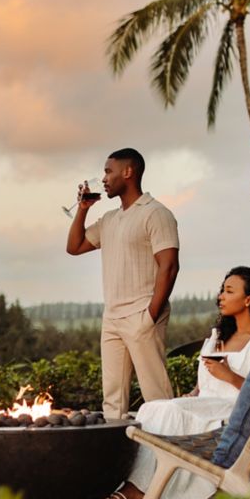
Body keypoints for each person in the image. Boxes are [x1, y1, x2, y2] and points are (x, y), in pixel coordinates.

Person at [92, 266, 250, 499]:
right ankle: (141, 485)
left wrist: (229, 376)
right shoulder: (217, 336)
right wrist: (193, 394)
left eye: (229, 291)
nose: (221, 296)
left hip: (235, 412)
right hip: (206, 405)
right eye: (222, 290)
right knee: (152, 408)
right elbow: (204, 385)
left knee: (170, 412)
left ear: (249, 299)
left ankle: (138, 490)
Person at [65, 148, 179, 419]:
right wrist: (82, 210)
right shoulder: (110, 219)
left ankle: (171, 445)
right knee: (112, 402)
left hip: (142, 314)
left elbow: (169, 266)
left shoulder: (156, 213)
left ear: (128, 172)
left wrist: (150, 315)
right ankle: (115, 446)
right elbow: (74, 247)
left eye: (108, 171)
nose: (104, 179)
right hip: (112, 318)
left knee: (156, 397)